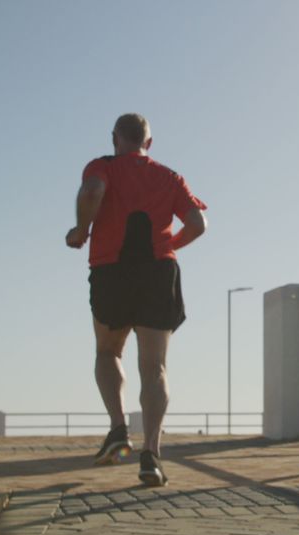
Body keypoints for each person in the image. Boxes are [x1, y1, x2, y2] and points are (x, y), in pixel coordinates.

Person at [65, 113, 207, 486]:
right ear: (149, 142)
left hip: (112, 271)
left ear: (115, 138)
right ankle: (152, 455)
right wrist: (169, 245)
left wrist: (82, 230)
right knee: (155, 367)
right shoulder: (169, 176)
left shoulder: (102, 166)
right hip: (158, 274)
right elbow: (197, 224)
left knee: (108, 352)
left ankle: (118, 429)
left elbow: (92, 190)